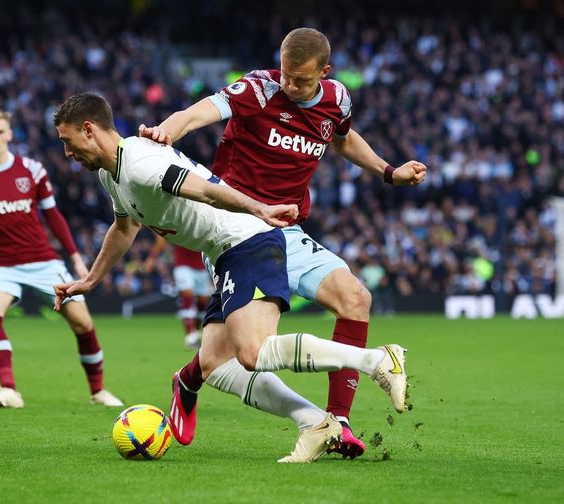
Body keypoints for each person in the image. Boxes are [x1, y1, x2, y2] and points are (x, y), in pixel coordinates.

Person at [51, 92, 408, 463]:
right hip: (222, 252)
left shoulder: (141, 162)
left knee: (254, 351)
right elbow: (124, 228)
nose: (67, 152)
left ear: (88, 130)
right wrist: (90, 280)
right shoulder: (114, 174)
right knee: (217, 366)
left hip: (247, 239)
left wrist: (260, 209)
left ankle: (377, 361)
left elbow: (206, 190)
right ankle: (316, 423)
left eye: (67, 141)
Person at [140, 27, 426, 458]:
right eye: (287, 73)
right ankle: (191, 379)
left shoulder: (337, 100)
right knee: (234, 355)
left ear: (325, 73)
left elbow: (343, 138)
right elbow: (203, 109)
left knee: (354, 298)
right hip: (235, 229)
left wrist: (389, 171)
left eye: (301, 80)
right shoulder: (259, 87)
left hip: (286, 231)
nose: (289, 85)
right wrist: (167, 129)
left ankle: (336, 423)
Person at [0, 107, 124, 409]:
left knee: (83, 325)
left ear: (9, 134)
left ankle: (98, 391)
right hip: (2, 266)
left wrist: (75, 258)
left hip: (44, 262)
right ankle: (8, 389)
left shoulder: (31, 170)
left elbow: (53, 216)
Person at [145, 241, 213, 348]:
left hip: (201, 266)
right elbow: (161, 238)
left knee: (203, 301)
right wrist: (152, 257)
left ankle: (195, 331)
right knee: (187, 294)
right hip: (182, 264)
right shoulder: (179, 223)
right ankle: (190, 334)